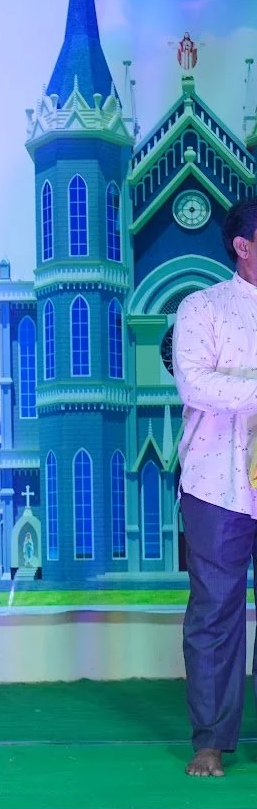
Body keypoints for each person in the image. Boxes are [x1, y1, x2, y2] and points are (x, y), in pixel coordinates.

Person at [172, 197, 257, 778]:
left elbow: (224, 384)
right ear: (243, 247)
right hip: (217, 483)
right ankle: (210, 740)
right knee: (215, 611)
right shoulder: (202, 307)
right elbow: (198, 387)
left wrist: (241, 378)